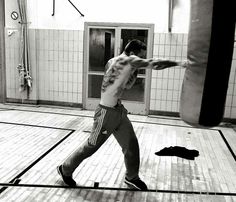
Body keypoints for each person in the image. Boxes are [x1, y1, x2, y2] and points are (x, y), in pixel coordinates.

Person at [57, 39, 187, 190]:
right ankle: (65, 169)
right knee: (90, 147)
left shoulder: (112, 61)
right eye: (140, 56)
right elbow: (155, 63)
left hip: (118, 111)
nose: (141, 59)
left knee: (132, 145)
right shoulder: (130, 60)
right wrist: (179, 63)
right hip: (105, 113)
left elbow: (126, 85)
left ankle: (132, 177)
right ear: (132, 53)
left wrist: (134, 70)